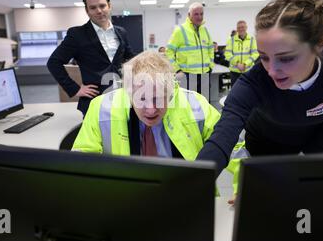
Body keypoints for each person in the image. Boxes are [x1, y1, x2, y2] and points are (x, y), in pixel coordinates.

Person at [197, 0, 323, 183]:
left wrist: (315, 160)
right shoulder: (253, 82)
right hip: (265, 145)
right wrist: (194, 183)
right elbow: (222, 137)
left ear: (320, 44)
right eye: (264, 57)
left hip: (316, 141)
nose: (272, 71)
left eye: (286, 58)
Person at [72, 52, 247, 191]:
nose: (150, 109)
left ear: (171, 92)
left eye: (158, 99)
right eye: (141, 99)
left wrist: (242, 186)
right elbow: (82, 159)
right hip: (125, 199)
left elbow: (232, 147)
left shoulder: (196, 105)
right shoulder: (102, 108)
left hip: (189, 198)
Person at [47, 0, 138, 116]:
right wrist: (75, 89)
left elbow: (131, 58)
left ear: (109, 6)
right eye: (93, 7)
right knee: (97, 136)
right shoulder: (77, 34)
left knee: (125, 135)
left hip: (121, 98)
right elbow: (53, 62)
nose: (99, 11)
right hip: (95, 100)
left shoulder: (120, 32)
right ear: (87, 10)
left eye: (102, 6)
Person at [166, 2, 214, 99]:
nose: (199, 17)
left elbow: (210, 49)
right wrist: (177, 70)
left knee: (204, 104)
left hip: (204, 74)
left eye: (201, 14)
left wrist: (210, 66)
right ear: (189, 15)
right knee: (189, 106)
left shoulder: (205, 30)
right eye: (196, 14)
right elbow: (169, 52)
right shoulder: (180, 30)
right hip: (187, 76)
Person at [224, 20, 259, 87]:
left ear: (246, 28)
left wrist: (245, 64)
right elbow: (227, 54)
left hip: (248, 71)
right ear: (237, 29)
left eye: (242, 27)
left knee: (248, 90)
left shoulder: (252, 40)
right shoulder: (231, 40)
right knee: (235, 91)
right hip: (235, 72)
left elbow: (255, 54)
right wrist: (237, 64)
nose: (241, 29)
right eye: (239, 27)